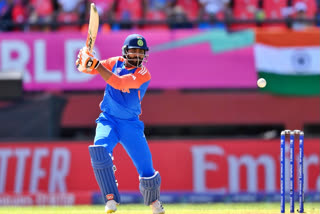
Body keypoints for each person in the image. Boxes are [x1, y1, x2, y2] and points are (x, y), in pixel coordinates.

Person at [75, 34, 165, 214]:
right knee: (99, 151)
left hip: (130, 125)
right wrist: (83, 60)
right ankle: (110, 200)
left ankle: (154, 202)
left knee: (146, 168)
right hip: (108, 120)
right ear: (125, 52)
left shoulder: (143, 74)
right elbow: (87, 69)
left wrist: (96, 64)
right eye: (134, 52)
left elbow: (118, 82)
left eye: (141, 52)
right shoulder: (115, 63)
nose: (138, 56)